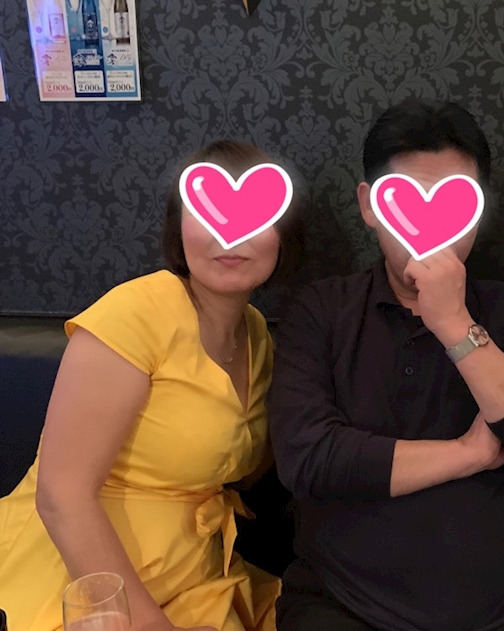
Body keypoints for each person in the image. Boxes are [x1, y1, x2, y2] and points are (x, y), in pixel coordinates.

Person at [269, 99, 504, 631]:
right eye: (405, 201)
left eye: (454, 203)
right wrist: (469, 453)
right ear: (369, 206)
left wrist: (456, 325)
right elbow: (309, 458)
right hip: (343, 607)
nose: (430, 227)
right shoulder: (322, 310)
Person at [0, 140, 305, 631]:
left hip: (194, 571)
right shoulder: (136, 313)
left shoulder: (257, 336)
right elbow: (61, 496)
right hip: (84, 574)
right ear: (178, 230)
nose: (229, 235)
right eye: (205, 213)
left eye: (257, 217)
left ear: (284, 238)